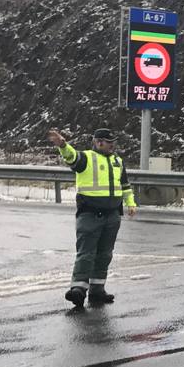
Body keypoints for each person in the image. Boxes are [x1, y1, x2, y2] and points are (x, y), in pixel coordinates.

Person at [48, 127, 137, 308]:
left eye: (113, 142)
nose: (112, 146)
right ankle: (78, 289)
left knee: (104, 254)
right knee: (86, 253)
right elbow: (72, 157)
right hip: (90, 213)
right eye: (108, 142)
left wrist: (131, 203)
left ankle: (97, 290)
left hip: (112, 215)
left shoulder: (118, 161)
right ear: (98, 142)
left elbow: (125, 185)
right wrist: (63, 145)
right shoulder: (86, 157)